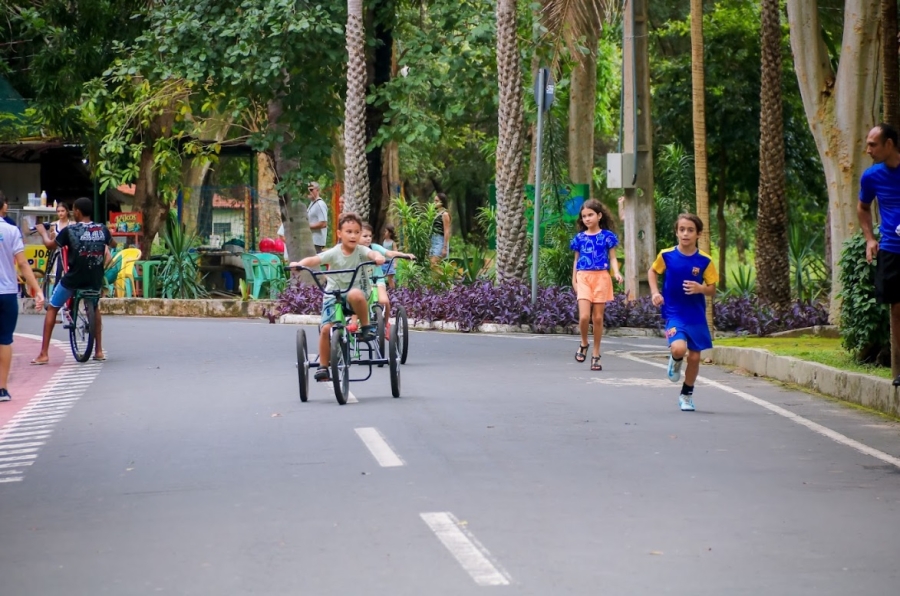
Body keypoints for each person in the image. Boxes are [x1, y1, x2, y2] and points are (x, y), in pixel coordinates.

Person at [290, 212, 384, 382]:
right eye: (349, 232)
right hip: (333, 295)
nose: (353, 236)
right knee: (326, 329)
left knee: (355, 293)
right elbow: (314, 259)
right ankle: (323, 367)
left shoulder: (362, 251)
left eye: (357, 232)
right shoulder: (334, 252)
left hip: (354, 296)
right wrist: (299, 264)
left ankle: (366, 326)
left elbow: (373, 255)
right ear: (339, 233)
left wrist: (378, 257)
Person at [648, 213, 718, 412]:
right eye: (682, 230)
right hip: (674, 312)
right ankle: (676, 359)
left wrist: (701, 288)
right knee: (678, 349)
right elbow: (652, 271)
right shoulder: (666, 255)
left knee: (694, 358)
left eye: (690, 230)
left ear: (698, 234)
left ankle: (686, 395)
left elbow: (712, 289)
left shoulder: (705, 261)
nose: (685, 233)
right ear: (676, 232)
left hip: (695, 315)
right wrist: (655, 293)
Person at [31, 197, 114, 365]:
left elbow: (50, 245)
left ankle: (44, 353)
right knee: (94, 307)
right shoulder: (102, 229)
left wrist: (43, 233)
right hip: (94, 279)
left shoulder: (70, 230)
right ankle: (98, 351)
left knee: (53, 307)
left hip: (73, 279)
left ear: (77, 212)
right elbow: (112, 244)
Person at [859, 123, 900, 386]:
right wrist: (870, 239)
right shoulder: (871, 176)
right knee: (896, 309)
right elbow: (863, 208)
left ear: (889, 144)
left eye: (873, 144)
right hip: (892, 249)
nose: (868, 149)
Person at [570, 199, 623, 371]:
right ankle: (584, 342)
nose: (587, 218)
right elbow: (576, 260)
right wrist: (574, 279)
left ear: (599, 216)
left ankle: (596, 353)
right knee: (584, 317)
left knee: (598, 318)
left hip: (601, 277)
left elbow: (613, 257)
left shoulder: (607, 236)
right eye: (584, 216)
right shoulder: (579, 238)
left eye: (590, 215)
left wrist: (617, 272)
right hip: (583, 277)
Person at [0, 218, 44, 401]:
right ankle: (2, 388)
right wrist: (38, 290)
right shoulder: (11, 230)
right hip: (7, 293)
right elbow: (23, 264)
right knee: (4, 340)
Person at [346, 223, 414, 337]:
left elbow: (389, 253)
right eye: (365, 236)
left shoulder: (374, 248)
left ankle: (386, 324)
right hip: (362, 281)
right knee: (358, 299)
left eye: (370, 236)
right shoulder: (355, 250)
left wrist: (404, 255)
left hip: (378, 280)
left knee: (384, 301)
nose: (368, 238)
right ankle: (354, 322)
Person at [429, 192, 451, 265]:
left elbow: (447, 231)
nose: (434, 202)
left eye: (437, 201)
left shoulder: (445, 214)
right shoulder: (436, 214)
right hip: (433, 240)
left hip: (440, 240)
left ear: (442, 202)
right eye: (434, 200)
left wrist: (444, 247)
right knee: (432, 265)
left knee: (434, 263)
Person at [382, 224, 399, 289]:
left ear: (390, 233)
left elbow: (396, 253)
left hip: (391, 263)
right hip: (384, 262)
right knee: (381, 277)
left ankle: (393, 292)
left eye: (386, 231)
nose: (384, 232)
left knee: (390, 279)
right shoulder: (384, 241)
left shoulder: (392, 243)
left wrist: (395, 263)